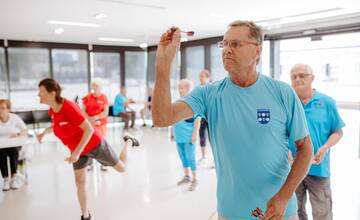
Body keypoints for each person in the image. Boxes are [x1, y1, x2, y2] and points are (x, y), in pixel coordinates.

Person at [152, 21, 314, 220]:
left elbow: (305, 148)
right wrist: (162, 64)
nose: (227, 50)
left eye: (235, 44)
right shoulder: (208, 94)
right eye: (224, 44)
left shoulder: (282, 92)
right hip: (232, 212)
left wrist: (284, 196)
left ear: (257, 51)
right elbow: (162, 118)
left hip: (279, 211)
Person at [36, 78, 139, 220]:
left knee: (122, 168)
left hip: (94, 143)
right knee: (79, 181)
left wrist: (77, 152)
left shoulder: (69, 107)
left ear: (52, 93)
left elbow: (89, 129)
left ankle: (128, 141)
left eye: (41, 92)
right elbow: (57, 125)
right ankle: (85, 214)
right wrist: (43, 133)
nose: (38, 95)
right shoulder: (52, 111)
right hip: (77, 149)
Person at [289, 63, 345, 220]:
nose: (298, 79)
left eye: (302, 75)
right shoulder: (287, 104)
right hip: (293, 168)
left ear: (312, 78)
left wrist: (325, 146)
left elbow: (338, 132)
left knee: (322, 212)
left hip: (318, 169)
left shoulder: (327, 103)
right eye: (294, 77)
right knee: (295, 211)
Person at [170, 79, 201, 191]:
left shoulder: (193, 102)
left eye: (182, 88)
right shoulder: (177, 102)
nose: (180, 90)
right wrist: (172, 132)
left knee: (191, 157)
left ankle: (195, 179)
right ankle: (187, 176)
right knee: (183, 157)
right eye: (179, 87)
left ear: (188, 89)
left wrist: (195, 133)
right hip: (179, 136)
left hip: (188, 136)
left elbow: (197, 119)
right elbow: (172, 118)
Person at [82, 78, 110, 171]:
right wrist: (89, 119)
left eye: (96, 86)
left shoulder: (104, 97)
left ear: (100, 87)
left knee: (101, 144)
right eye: (93, 85)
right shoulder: (87, 97)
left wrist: (95, 117)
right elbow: (83, 111)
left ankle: (104, 164)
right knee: (89, 144)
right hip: (90, 124)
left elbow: (105, 112)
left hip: (101, 124)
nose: (94, 87)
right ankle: (89, 164)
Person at [0, 99, 28, 191]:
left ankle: (14, 178)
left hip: (14, 143)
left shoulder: (15, 117)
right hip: (2, 145)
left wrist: (18, 134)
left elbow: (25, 130)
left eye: (3, 108)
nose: (0, 110)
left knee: (13, 150)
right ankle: (6, 180)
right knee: (1, 152)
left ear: (8, 109)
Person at [197, 69, 211, 165]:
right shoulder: (198, 89)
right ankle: (203, 157)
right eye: (200, 76)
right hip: (201, 117)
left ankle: (215, 159)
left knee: (212, 139)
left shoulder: (211, 88)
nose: (200, 78)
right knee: (202, 137)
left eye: (202, 76)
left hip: (210, 117)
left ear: (208, 78)